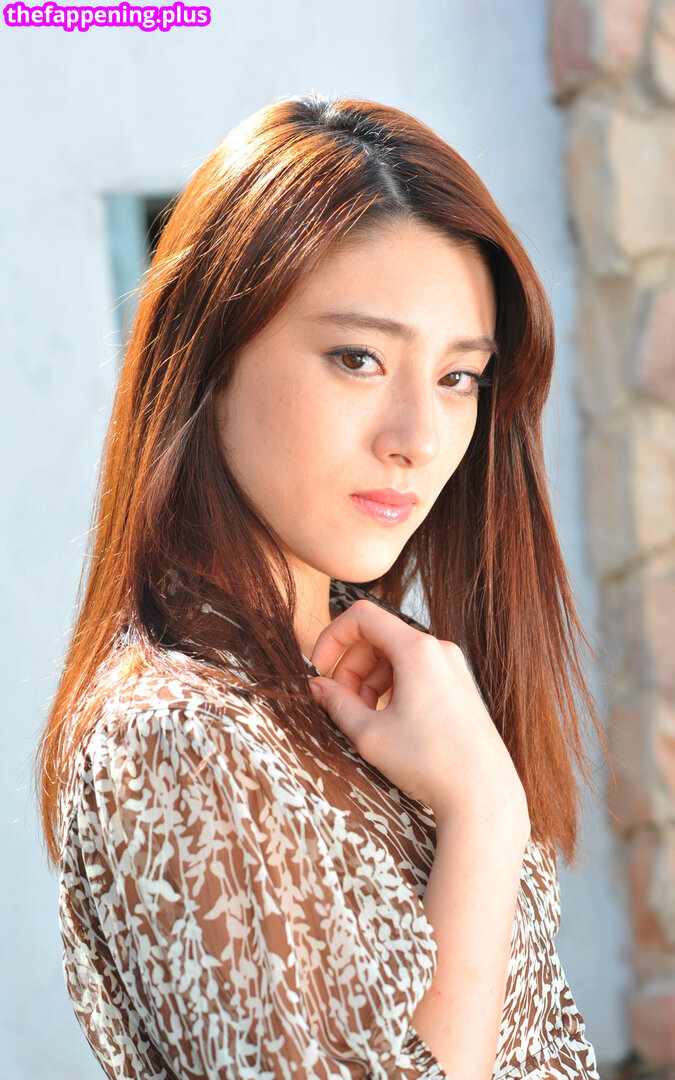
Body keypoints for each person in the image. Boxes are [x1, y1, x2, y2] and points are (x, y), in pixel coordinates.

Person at [37, 92, 610, 1079]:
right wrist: (484, 814)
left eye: (458, 377)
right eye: (358, 359)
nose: (416, 437)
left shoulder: (379, 682)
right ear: (209, 364)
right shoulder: (180, 740)